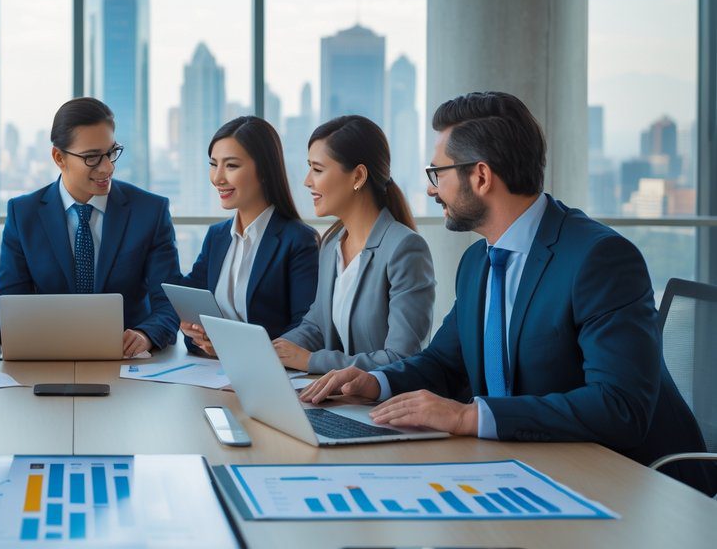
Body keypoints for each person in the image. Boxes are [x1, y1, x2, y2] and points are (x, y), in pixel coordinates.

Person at [301, 92, 716, 495]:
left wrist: (470, 416)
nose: (431, 190)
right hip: (529, 470)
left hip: (634, 486)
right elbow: (445, 363)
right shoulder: (479, 262)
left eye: (438, 174)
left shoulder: (599, 259)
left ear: (480, 177)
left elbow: (620, 407)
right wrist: (374, 382)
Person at [0, 97, 180, 356]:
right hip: (48, 358)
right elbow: (4, 317)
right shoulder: (24, 214)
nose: (108, 167)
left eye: (111, 153)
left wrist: (145, 334)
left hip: (128, 363)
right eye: (92, 158)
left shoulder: (150, 212)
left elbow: (169, 303)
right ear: (59, 157)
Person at [274, 115, 434, 373]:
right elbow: (316, 326)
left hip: (382, 406)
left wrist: (310, 361)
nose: (307, 181)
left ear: (358, 176)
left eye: (317, 169)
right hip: (339, 399)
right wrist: (272, 350)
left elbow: (402, 357)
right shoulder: (331, 245)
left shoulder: (404, 249)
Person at [178, 116, 318, 357]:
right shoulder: (217, 236)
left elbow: (306, 328)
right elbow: (192, 312)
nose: (218, 178)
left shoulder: (298, 240)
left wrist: (240, 349)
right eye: (214, 164)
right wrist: (196, 334)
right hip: (211, 373)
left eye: (231, 166)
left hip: (270, 376)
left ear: (264, 170)